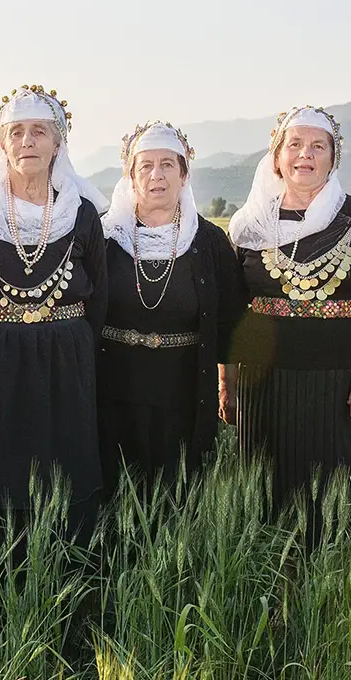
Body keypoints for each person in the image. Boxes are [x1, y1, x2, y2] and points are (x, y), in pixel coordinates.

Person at [225, 106, 351, 531]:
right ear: (277, 157)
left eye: (317, 146)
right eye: (294, 145)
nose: (305, 155)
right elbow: (232, 313)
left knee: (349, 511)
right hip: (266, 390)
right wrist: (228, 382)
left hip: (347, 390)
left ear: (333, 158)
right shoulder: (251, 226)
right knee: (270, 511)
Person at [0, 84, 108, 552]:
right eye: (17, 132)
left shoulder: (82, 214)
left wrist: (66, 345)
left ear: (58, 143)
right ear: (2, 144)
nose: (27, 141)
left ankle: (66, 570)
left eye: (39, 131)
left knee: (63, 470)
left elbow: (100, 301)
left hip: (63, 366)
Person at [97, 122, 246, 495]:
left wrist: (228, 387)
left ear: (184, 174)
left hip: (184, 389)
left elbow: (229, 322)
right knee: (115, 493)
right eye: (145, 166)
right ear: (131, 177)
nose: (156, 175)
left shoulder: (209, 241)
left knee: (178, 493)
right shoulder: (104, 238)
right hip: (114, 386)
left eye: (167, 164)